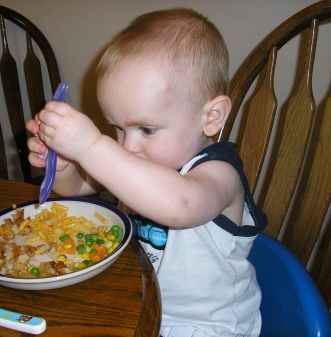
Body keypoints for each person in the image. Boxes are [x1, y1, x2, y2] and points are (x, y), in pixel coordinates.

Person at [27, 8, 267, 337]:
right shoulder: (138, 162)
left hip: (208, 326)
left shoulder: (219, 174)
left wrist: (91, 147)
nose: (127, 147)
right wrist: (66, 166)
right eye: (118, 129)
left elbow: (180, 205)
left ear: (211, 117)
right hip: (142, 301)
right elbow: (81, 186)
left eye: (147, 129)